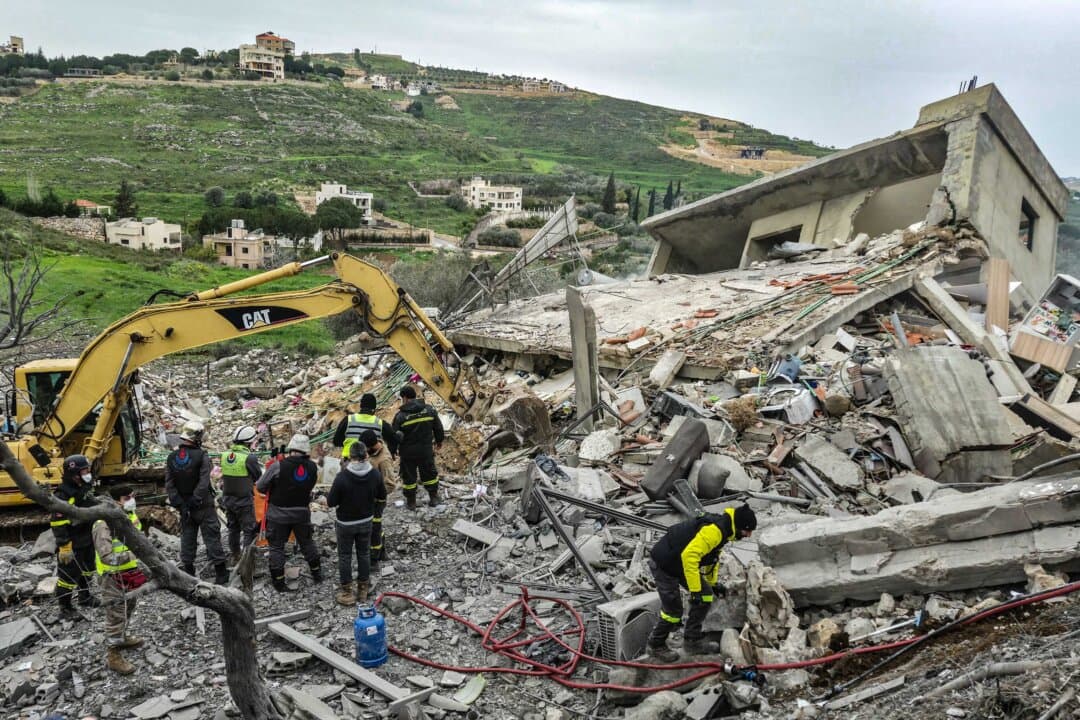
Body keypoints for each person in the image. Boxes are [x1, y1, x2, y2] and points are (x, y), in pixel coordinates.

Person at [645, 505, 757, 661]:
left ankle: (692, 641)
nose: (748, 535)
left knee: (705, 595)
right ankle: (655, 645)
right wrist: (695, 590)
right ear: (739, 526)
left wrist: (712, 583)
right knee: (673, 611)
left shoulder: (725, 530)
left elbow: (713, 557)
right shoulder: (714, 531)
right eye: (747, 531)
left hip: (679, 562)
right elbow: (689, 556)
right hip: (665, 563)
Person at [92, 484, 149, 675]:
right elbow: (106, 555)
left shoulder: (129, 516)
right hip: (111, 575)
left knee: (129, 606)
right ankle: (113, 655)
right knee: (116, 614)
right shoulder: (103, 523)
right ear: (117, 500)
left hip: (129, 572)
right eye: (127, 498)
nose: (132, 501)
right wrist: (132, 555)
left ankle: (122, 637)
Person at [165, 420, 229, 585]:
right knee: (212, 537)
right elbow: (204, 481)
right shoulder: (202, 456)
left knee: (187, 537)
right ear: (198, 437)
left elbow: (169, 483)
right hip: (203, 505)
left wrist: (179, 503)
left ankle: (188, 572)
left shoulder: (171, 458)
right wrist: (196, 498)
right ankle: (221, 574)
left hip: (184, 506)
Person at [256, 433, 322, 592]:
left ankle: (279, 583)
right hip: (301, 513)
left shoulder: (278, 466)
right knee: (307, 543)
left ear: (291, 448)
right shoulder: (313, 467)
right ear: (306, 450)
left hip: (278, 514)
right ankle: (317, 575)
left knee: (277, 547)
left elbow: (260, 487)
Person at [326, 441, 385, 605]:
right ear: (366, 455)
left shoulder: (342, 477)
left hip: (345, 523)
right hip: (366, 521)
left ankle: (347, 593)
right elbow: (382, 495)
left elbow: (331, 502)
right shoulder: (374, 474)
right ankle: (363, 590)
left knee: (345, 556)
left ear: (350, 457)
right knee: (364, 553)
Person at [50, 454, 101, 614]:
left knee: (87, 569)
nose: (88, 474)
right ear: (74, 474)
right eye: (84, 471)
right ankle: (65, 608)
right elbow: (57, 523)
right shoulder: (63, 494)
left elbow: (89, 503)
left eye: (88, 470)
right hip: (72, 541)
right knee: (68, 577)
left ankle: (84, 597)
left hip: (86, 536)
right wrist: (64, 545)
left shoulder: (83, 487)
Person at [392, 385, 444, 510]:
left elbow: (394, 435)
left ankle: (411, 502)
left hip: (408, 453)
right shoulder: (429, 410)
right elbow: (438, 427)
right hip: (425, 451)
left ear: (404, 398)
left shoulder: (400, 416)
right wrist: (439, 441)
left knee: (409, 478)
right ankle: (434, 498)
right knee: (429, 474)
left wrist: (393, 450)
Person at [219, 425, 263, 565]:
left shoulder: (225, 455)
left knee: (233, 529)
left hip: (228, 499)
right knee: (249, 530)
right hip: (243, 500)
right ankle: (247, 561)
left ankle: (235, 555)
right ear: (249, 442)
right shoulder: (249, 457)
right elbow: (258, 476)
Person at [332, 392, 400, 463]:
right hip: (370, 463)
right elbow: (394, 439)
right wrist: (392, 452)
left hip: (349, 461)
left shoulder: (348, 420)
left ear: (360, 406)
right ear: (374, 409)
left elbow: (336, 441)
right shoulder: (380, 423)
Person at [359, 429, 392, 565]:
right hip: (369, 498)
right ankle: (382, 551)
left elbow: (390, 484)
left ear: (372, 446)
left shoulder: (384, 460)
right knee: (375, 527)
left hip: (377, 501)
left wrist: (373, 494)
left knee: (374, 529)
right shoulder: (372, 453)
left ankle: (375, 558)